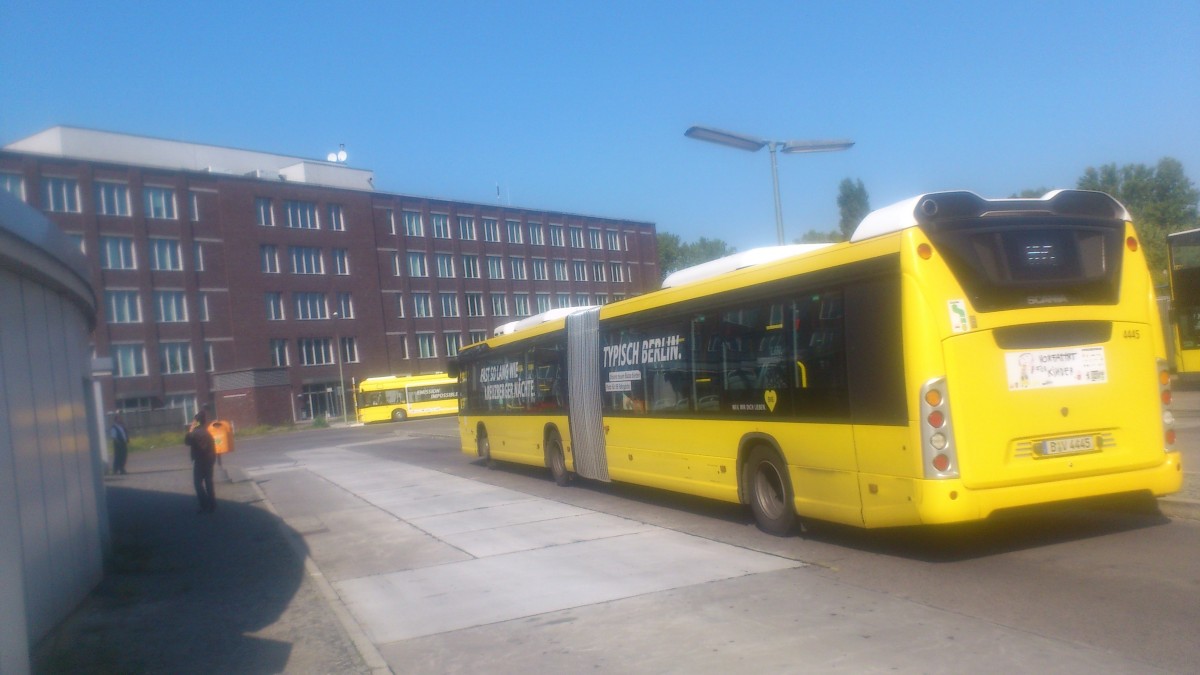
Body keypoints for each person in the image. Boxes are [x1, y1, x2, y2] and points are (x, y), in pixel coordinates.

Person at [185, 411, 217, 514]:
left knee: (197, 483)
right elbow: (213, 448)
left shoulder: (195, 433)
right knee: (208, 482)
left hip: (200, 461)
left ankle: (205, 504)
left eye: (194, 421)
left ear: (197, 422)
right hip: (209, 460)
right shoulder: (207, 432)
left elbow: (187, 441)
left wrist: (190, 429)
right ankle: (212, 504)